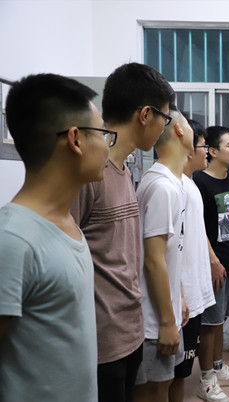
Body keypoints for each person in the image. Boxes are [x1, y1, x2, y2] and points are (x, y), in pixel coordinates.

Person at [0, 73, 111, 401]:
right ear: (75, 140)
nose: (107, 145)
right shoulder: (13, 240)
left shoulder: (68, 223)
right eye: (103, 133)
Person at [70, 62, 174, 402]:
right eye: (164, 118)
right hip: (101, 342)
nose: (164, 128)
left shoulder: (124, 171)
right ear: (145, 115)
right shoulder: (89, 175)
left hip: (130, 332)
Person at [133, 108, 193, 402]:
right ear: (179, 130)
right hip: (153, 320)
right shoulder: (162, 188)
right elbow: (152, 259)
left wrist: (178, 295)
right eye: (189, 125)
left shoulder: (173, 183)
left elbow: (169, 251)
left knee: (165, 385)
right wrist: (167, 322)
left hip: (165, 311)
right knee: (154, 391)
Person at [193, 126, 229, 402]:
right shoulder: (199, 181)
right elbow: (197, 226)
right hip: (211, 263)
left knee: (222, 320)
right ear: (212, 151)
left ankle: (218, 367)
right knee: (210, 324)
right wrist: (213, 260)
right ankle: (205, 379)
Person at [169, 120, 216, 401]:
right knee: (174, 374)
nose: (207, 151)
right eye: (202, 145)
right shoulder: (175, 187)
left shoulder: (190, 184)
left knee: (183, 371)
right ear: (188, 148)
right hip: (182, 295)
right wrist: (182, 294)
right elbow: (170, 249)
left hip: (192, 294)